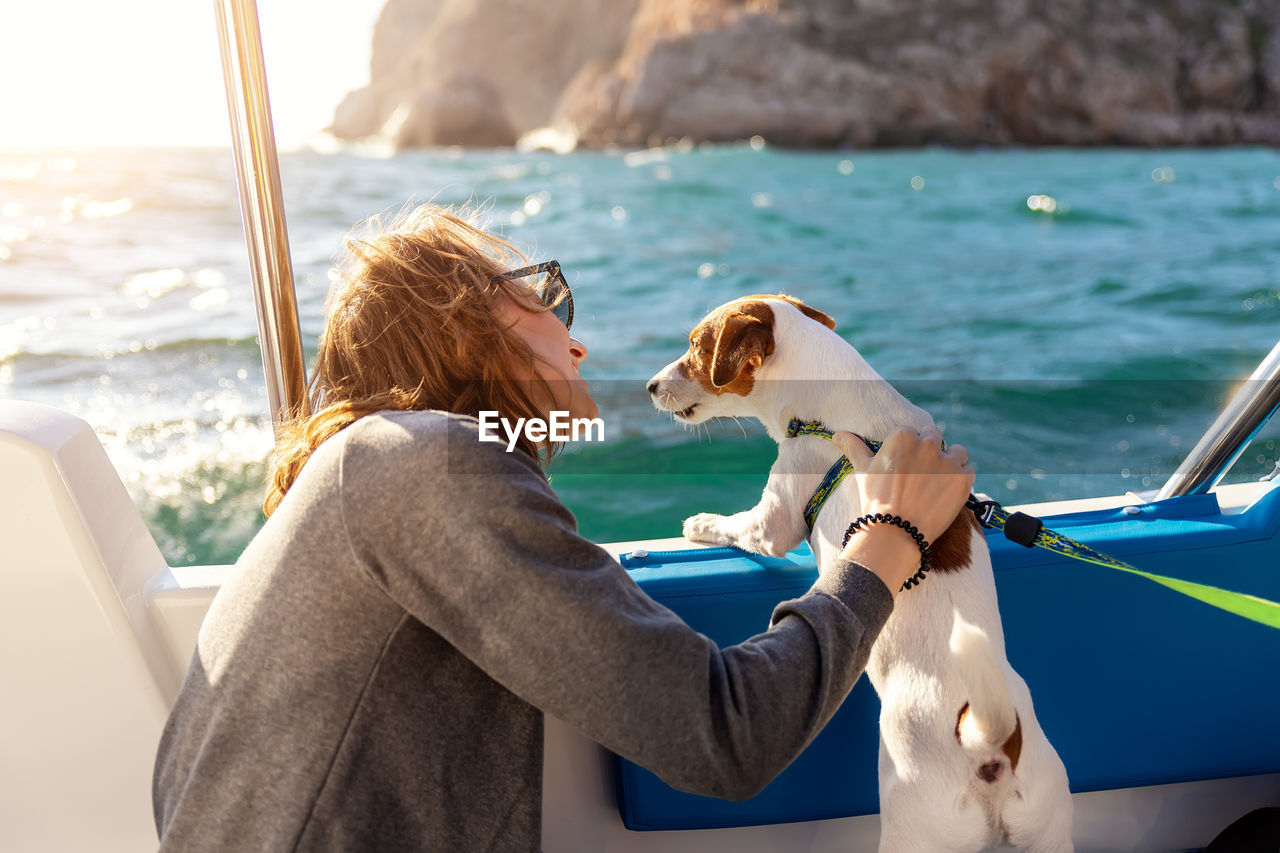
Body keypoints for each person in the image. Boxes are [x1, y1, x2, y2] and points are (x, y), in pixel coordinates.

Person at [152, 203, 974, 851]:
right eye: (545, 298)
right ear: (468, 326)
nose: (577, 346)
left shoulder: (372, 477)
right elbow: (726, 733)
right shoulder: (429, 465)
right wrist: (888, 540)